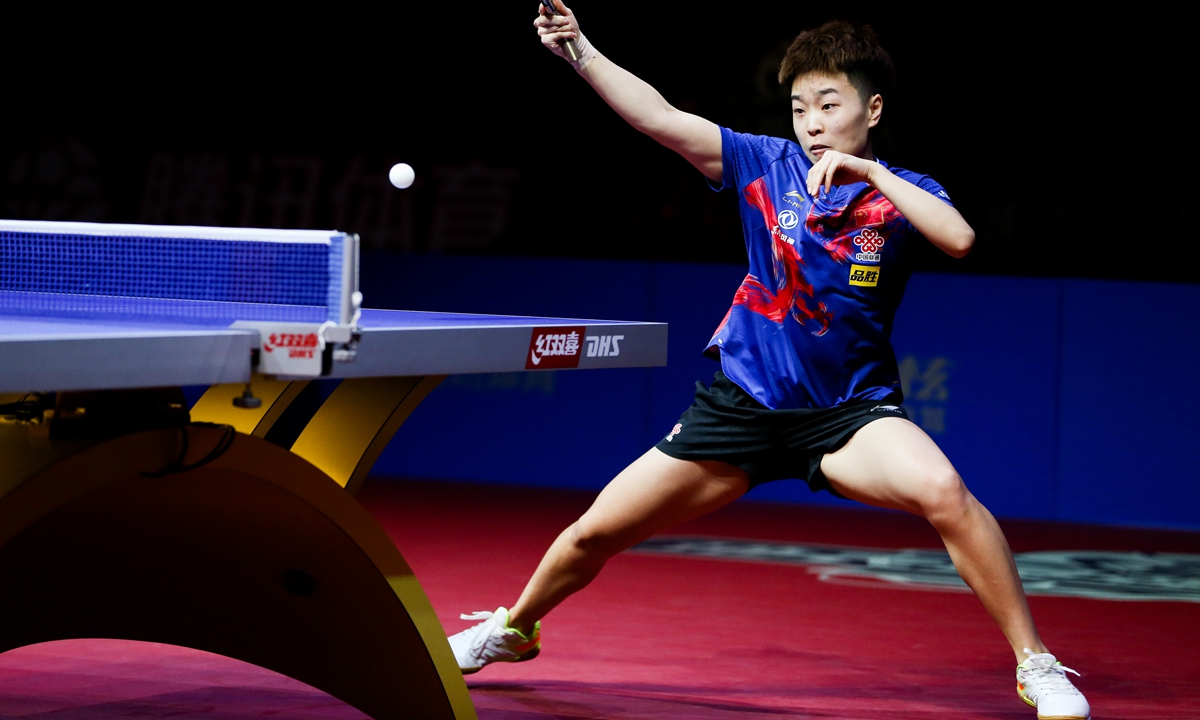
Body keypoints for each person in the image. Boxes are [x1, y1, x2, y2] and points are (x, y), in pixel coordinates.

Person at [449, 4, 1091, 718]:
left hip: (847, 416)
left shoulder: (903, 194)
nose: (812, 123)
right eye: (799, 107)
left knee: (944, 491)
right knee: (594, 533)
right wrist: (581, 53)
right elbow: (659, 117)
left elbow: (960, 238)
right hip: (742, 407)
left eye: (829, 104)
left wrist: (869, 173)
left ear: (871, 109)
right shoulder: (766, 164)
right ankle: (514, 629)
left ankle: (1037, 664)